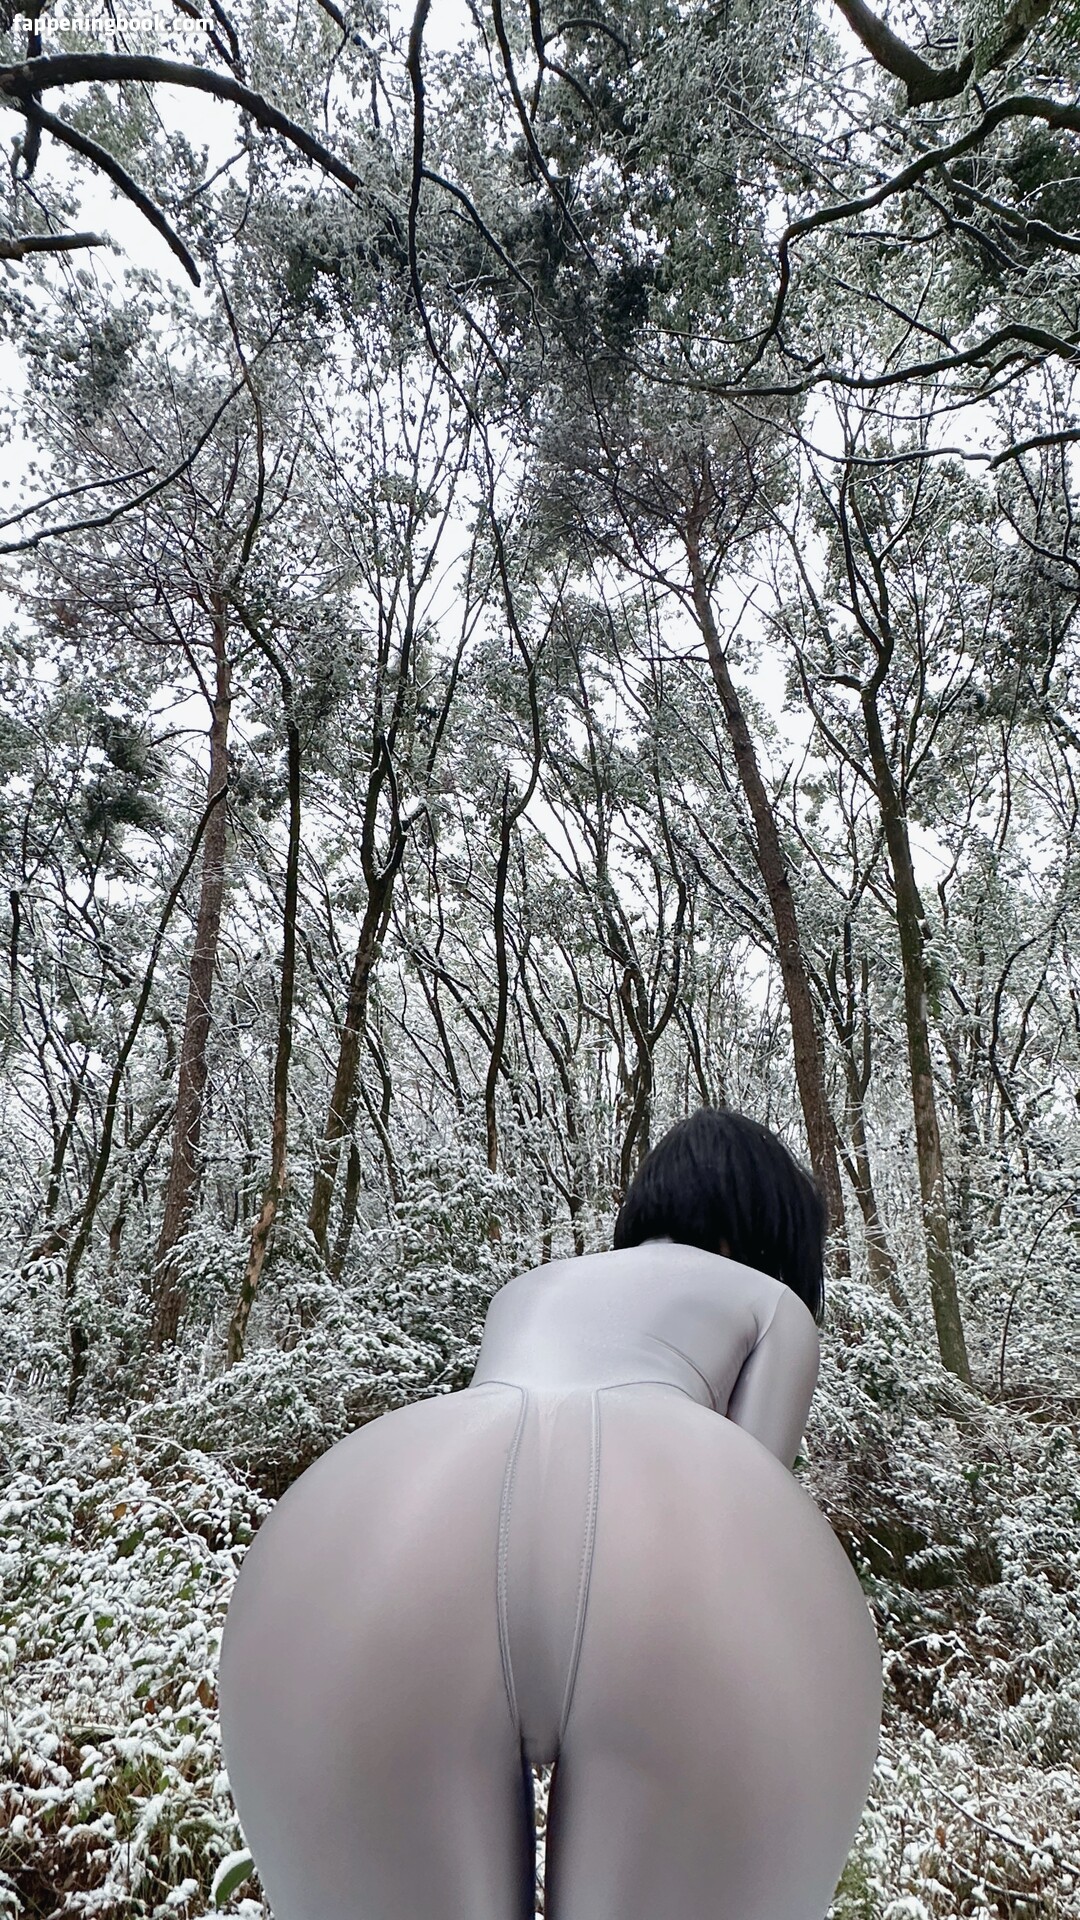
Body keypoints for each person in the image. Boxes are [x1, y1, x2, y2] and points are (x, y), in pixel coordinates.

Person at [217, 1106, 882, 1920]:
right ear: (771, 1229)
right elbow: (753, 1495)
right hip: (675, 1556)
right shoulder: (772, 1303)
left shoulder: (528, 1289)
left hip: (387, 1519)